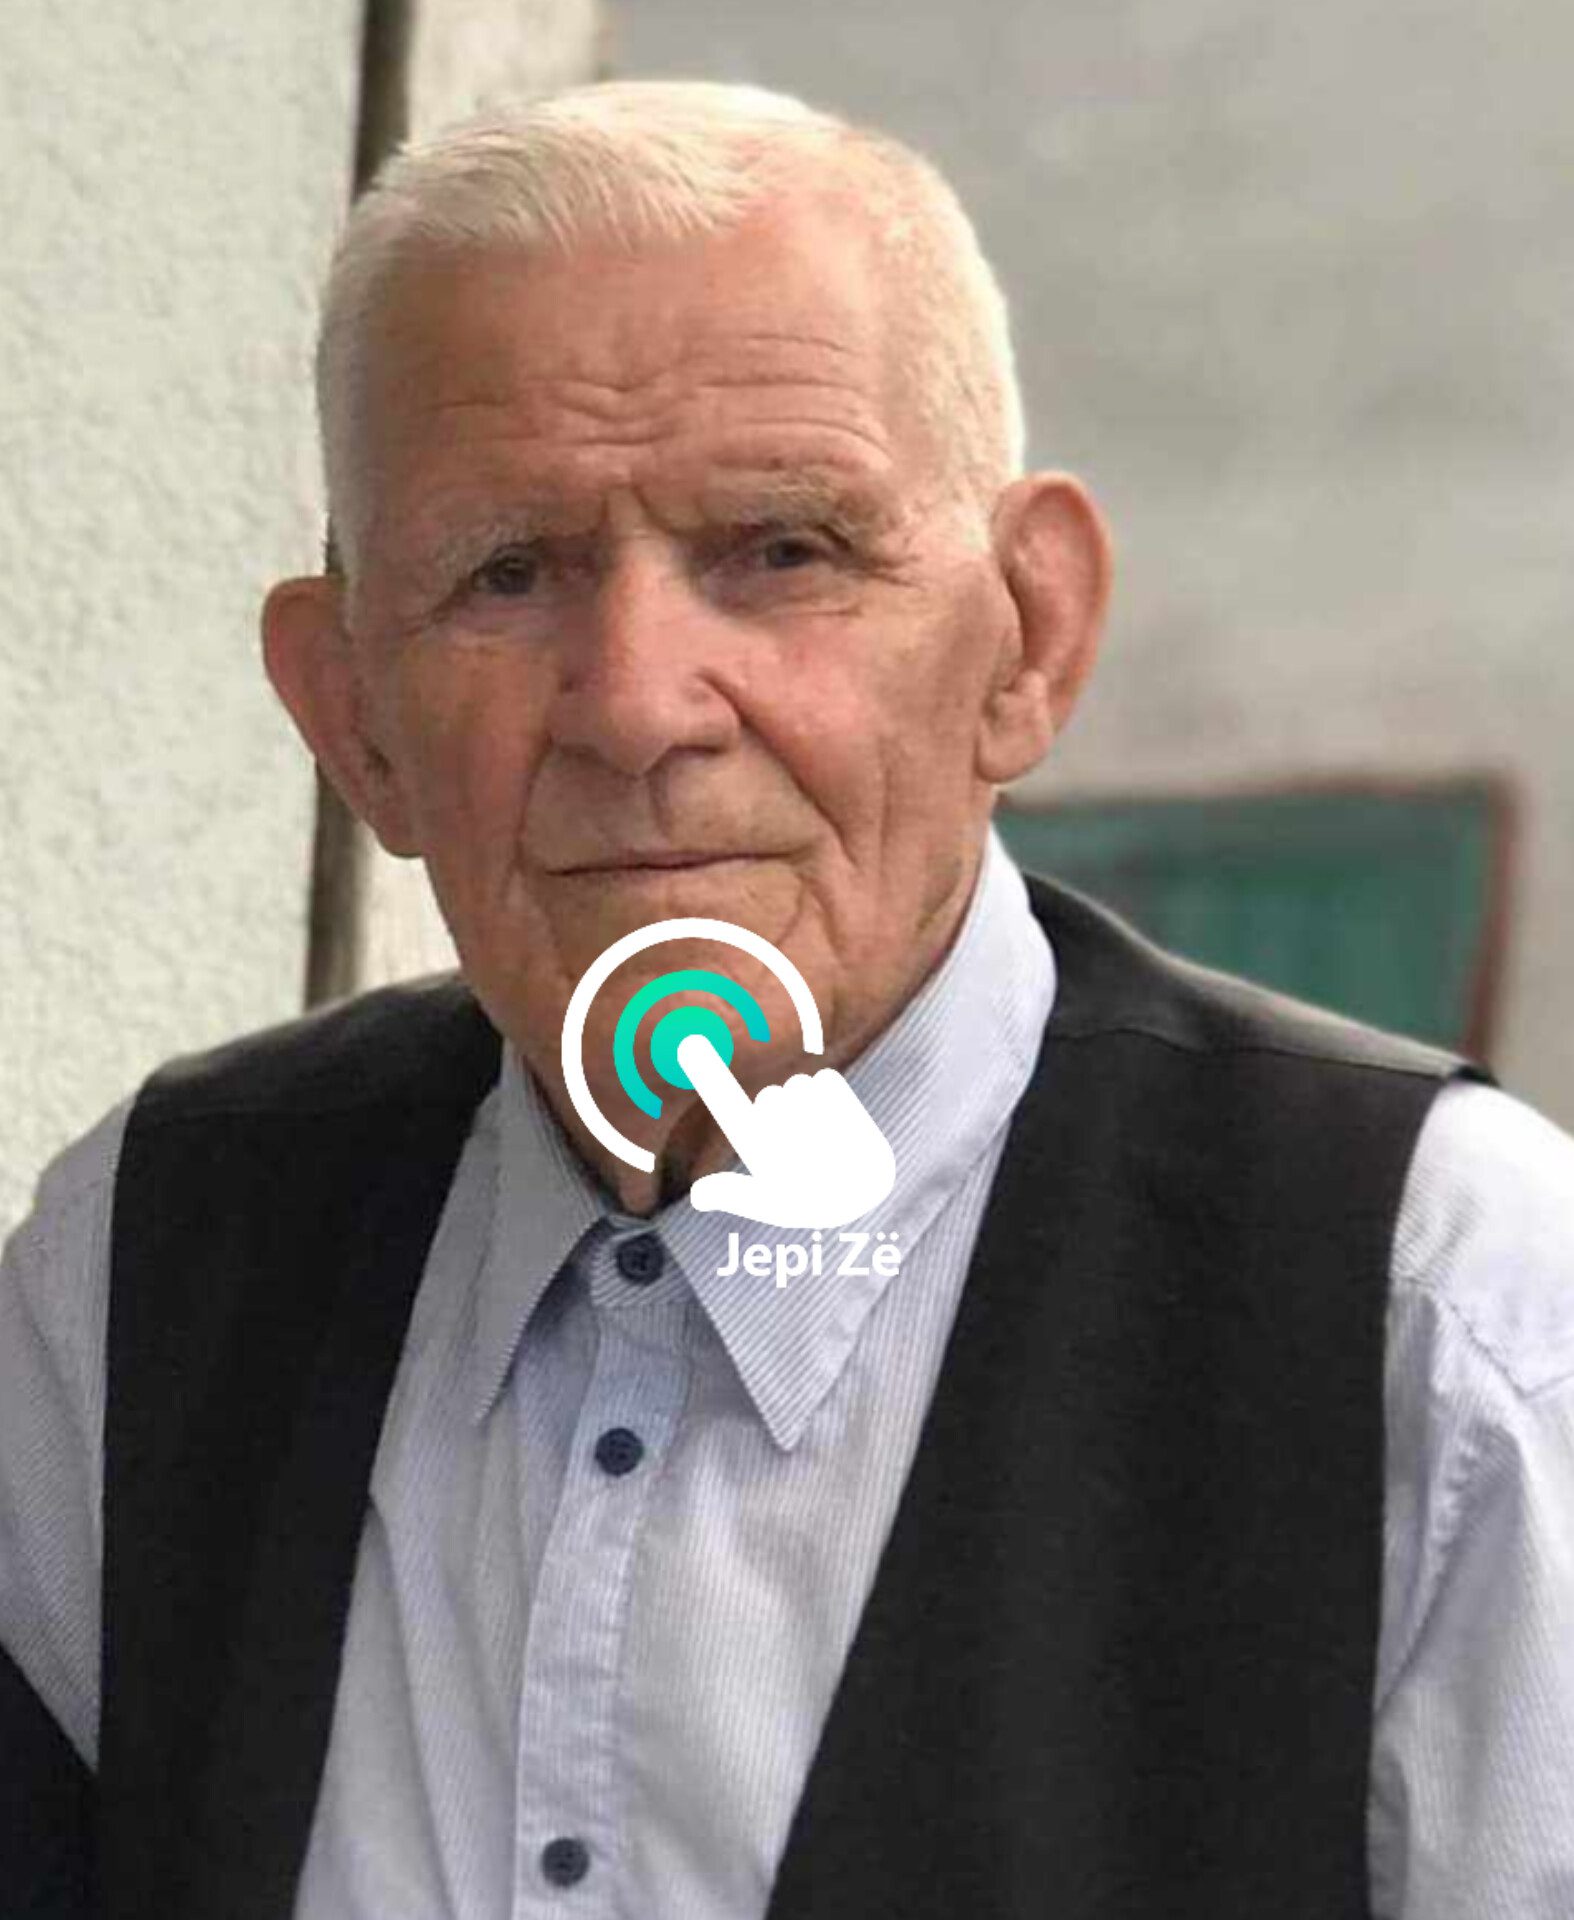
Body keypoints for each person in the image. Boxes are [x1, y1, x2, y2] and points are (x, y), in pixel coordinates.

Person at [2, 78, 1572, 1920]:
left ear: (1027, 637)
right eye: (506, 574)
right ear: (353, 723)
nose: (637, 705)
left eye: (780, 551)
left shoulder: (1438, 1314)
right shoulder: (146, 1278)